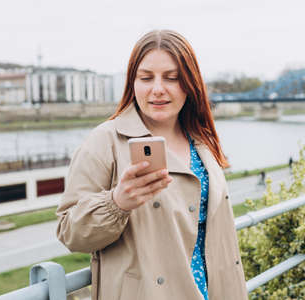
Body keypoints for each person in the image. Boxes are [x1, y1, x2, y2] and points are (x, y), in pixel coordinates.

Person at [56, 30, 248, 300]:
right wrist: (117, 202)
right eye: (146, 78)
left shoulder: (200, 139)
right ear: (132, 82)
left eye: (172, 78)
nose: (158, 89)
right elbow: (69, 231)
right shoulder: (106, 141)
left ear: (190, 83)